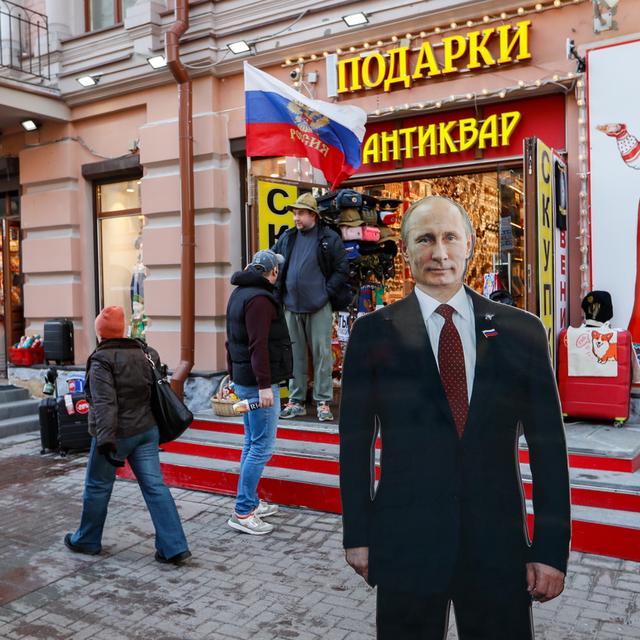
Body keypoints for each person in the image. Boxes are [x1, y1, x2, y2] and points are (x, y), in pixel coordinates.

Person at [339, 195, 571, 639]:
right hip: (405, 543)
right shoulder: (372, 334)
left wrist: (550, 550)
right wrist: (359, 535)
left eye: (449, 238)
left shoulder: (521, 332)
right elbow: (355, 444)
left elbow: (548, 449)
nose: (439, 253)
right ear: (406, 250)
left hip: (498, 548)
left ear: (470, 244)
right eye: (424, 239)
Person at [64, 305, 191, 564]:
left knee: (97, 486)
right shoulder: (145, 352)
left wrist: (106, 441)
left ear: (101, 332)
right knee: (155, 487)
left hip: (117, 434)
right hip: (147, 430)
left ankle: (87, 540)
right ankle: (174, 546)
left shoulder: (101, 360)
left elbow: (105, 404)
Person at [225, 249, 293, 535]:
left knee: (251, 443)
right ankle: (243, 511)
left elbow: (231, 340)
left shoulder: (240, 293)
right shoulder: (260, 300)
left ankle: (250, 501)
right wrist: (265, 385)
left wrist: (231, 375)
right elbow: (259, 345)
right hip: (257, 383)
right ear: (273, 272)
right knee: (261, 447)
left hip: (245, 378)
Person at [273, 193, 349, 422]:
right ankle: (296, 401)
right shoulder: (287, 237)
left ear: (313, 215)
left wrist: (326, 292)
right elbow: (273, 259)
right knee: (294, 356)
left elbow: (342, 268)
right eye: (295, 213)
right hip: (291, 306)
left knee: (322, 355)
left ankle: (323, 401)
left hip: (318, 306)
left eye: (301, 213)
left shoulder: (328, 238)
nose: (296, 217)